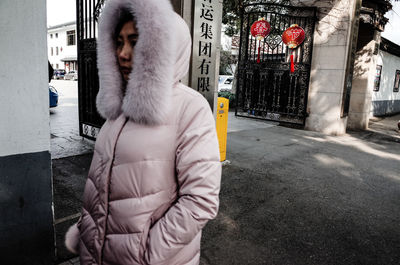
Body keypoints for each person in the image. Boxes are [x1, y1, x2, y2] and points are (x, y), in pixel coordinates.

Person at [65, 0, 221, 264]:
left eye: (135, 41)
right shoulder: (119, 108)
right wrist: (84, 231)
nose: (123, 53)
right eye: (119, 42)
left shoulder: (189, 108)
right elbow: (100, 187)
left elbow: (200, 201)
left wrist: (145, 255)